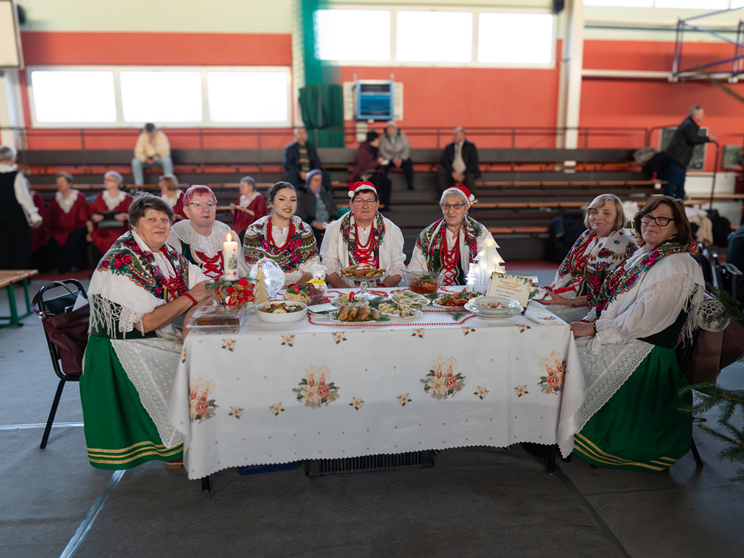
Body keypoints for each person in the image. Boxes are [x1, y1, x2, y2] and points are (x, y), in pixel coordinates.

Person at [568, 195, 704, 474]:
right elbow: (616, 298)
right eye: (647, 217)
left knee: (560, 358)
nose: (651, 224)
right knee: (557, 344)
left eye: (662, 219)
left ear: (677, 228)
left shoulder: (677, 265)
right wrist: (592, 319)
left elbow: (645, 321)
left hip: (645, 351)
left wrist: (594, 329)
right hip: (624, 334)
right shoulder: (647, 254)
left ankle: (567, 432)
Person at [80, 194, 212, 470]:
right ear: (134, 225)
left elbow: (203, 283)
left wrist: (203, 294)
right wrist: (190, 299)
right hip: (118, 347)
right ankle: (173, 447)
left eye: (165, 220)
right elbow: (148, 322)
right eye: (151, 219)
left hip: (150, 335)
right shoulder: (121, 261)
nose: (160, 225)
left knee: (203, 354)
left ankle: (198, 436)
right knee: (190, 361)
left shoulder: (164, 253)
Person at [541, 194, 638, 321]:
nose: (598, 217)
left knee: (539, 314)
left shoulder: (624, 244)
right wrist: (550, 291)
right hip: (568, 293)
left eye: (606, 213)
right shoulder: (587, 235)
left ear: (618, 217)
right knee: (527, 302)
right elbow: (567, 267)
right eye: (594, 212)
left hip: (593, 306)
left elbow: (607, 296)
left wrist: (565, 301)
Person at [408, 186, 500, 286]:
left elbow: (488, 271)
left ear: (466, 208)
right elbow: (416, 270)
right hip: (433, 293)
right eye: (446, 205)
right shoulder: (427, 234)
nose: (451, 211)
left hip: (468, 294)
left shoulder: (479, 233)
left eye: (457, 205)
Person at [320, 181, 406, 288]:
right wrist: (348, 295)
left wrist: (379, 292)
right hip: (344, 293)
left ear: (377, 204)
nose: (365, 206)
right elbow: (329, 268)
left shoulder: (392, 229)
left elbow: (398, 267)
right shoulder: (335, 229)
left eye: (370, 201)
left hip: (382, 292)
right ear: (351, 204)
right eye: (360, 201)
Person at [243, 181, 320, 287]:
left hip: (299, 292)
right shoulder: (255, 231)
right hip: (263, 293)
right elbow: (252, 272)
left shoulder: (304, 230)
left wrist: (293, 292)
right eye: (282, 199)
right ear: (271, 203)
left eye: (293, 200)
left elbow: (312, 270)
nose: (288, 204)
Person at [167, 185, 249, 282]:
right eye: (198, 204)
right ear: (187, 211)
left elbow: (242, 273)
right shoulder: (175, 237)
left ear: (215, 208)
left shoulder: (229, 235)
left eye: (210, 204)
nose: (206, 209)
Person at [0, 145, 43, 270]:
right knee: (22, 246)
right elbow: (23, 198)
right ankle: (22, 277)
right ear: (12, 158)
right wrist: (34, 215)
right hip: (16, 218)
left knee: (5, 249)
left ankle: (9, 278)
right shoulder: (15, 175)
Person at [663, 106, 716, 200]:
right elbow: (693, 139)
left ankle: (679, 205)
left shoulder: (689, 123)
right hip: (677, 159)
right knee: (674, 182)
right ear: (695, 115)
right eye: (702, 113)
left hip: (680, 160)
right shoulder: (689, 125)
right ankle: (669, 204)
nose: (704, 116)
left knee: (680, 184)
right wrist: (708, 138)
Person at [46, 172, 90, 273]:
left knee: (73, 237)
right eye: (57, 182)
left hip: (78, 227)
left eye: (62, 182)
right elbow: (50, 217)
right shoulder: (55, 197)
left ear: (70, 184)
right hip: (60, 228)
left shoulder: (79, 196)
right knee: (54, 238)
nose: (59, 184)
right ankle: (60, 266)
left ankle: (76, 264)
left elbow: (85, 216)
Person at [87, 171, 132, 261]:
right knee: (97, 238)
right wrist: (94, 217)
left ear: (117, 183)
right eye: (105, 180)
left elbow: (135, 216)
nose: (105, 182)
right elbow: (90, 215)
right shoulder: (101, 196)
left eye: (109, 180)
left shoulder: (126, 198)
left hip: (121, 229)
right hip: (102, 229)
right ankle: (100, 269)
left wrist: (126, 216)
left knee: (119, 238)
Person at [296, 169, 339, 246]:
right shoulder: (302, 193)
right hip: (311, 224)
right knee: (314, 236)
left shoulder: (325, 191)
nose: (318, 182)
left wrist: (333, 220)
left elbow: (333, 208)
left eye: (319, 179)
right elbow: (299, 211)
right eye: (315, 180)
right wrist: (313, 223)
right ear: (309, 180)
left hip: (328, 223)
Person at [350, 131, 392, 210]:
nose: (378, 142)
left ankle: (385, 205)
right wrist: (377, 162)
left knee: (387, 182)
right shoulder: (363, 150)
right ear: (372, 140)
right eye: (377, 140)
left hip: (377, 173)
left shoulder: (376, 150)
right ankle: (375, 205)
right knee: (376, 183)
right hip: (366, 175)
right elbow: (364, 166)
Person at [437, 127, 481, 197]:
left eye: (456, 135)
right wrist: (452, 172)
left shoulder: (470, 146)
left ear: (462, 136)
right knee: (441, 172)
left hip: (466, 172)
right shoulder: (449, 147)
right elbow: (445, 161)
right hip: (453, 172)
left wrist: (463, 174)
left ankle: (470, 201)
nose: (453, 137)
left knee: (470, 177)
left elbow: (473, 162)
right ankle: (445, 197)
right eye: (453, 135)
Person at [230, 176, 268, 242]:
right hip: (239, 226)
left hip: (252, 227)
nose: (240, 188)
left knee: (244, 236)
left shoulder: (259, 199)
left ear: (250, 187)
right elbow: (237, 217)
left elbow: (261, 216)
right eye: (240, 186)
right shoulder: (240, 199)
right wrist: (233, 210)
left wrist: (245, 210)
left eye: (243, 186)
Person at [379, 120, 414, 191]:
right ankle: (384, 184)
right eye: (388, 129)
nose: (390, 131)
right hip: (389, 159)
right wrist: (392, 159)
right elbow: (382, 150)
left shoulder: (402, 135)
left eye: (391, 129)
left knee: (408, 163)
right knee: (383, 165)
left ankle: (410, 183)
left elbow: (407, 147)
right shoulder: (383, 137)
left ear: (395, 129)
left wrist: (401, 159)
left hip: (401, 158)